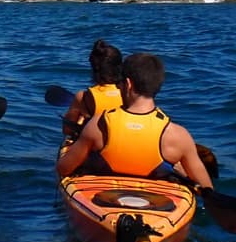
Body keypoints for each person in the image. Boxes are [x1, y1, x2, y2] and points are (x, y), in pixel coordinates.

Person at [56, 53, 214, 188]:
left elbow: (63, 168)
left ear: (128, 84)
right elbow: (207, 189)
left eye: (120, 83)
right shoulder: (178, 136)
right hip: (159, 210)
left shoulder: (98, 126)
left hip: (104, 203)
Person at [62, 39, 123, 137]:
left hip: (96, 146)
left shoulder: (83, 97)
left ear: (93, 68)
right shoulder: (130, 93)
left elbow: (67, 130)